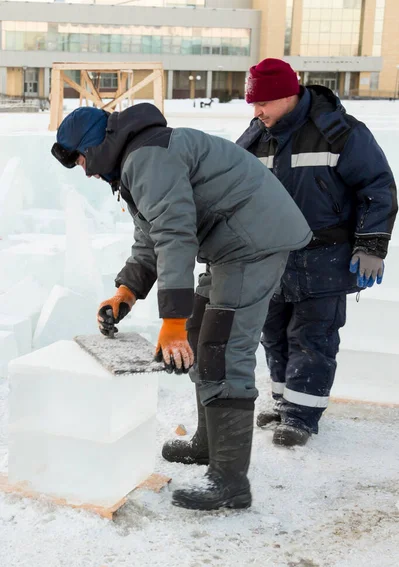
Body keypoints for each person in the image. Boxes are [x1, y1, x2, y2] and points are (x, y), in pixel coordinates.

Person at [51, 103, 311, 510]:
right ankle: (209, 445)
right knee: (199, 335)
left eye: (83, 159)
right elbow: (152, 235)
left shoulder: (147, 157)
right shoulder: (138, 159)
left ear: (96, 146)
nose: (87, 171)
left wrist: (171, 318)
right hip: (230, 243)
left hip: (252, 243)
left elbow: (175, 235)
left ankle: (229, 482)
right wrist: (127, 291)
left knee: (222, 350)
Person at [236, 58, 397, 447]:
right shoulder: (258, 134)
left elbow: (378, 187)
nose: (256, 112)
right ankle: (283, 400)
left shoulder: (340, 132)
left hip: (324, 255)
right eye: (253, 105)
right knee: (272, 333)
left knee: (314, 337)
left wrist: (372, 244)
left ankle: (302, 416)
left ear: (288, 95)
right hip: (271, 257)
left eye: (263, 104)